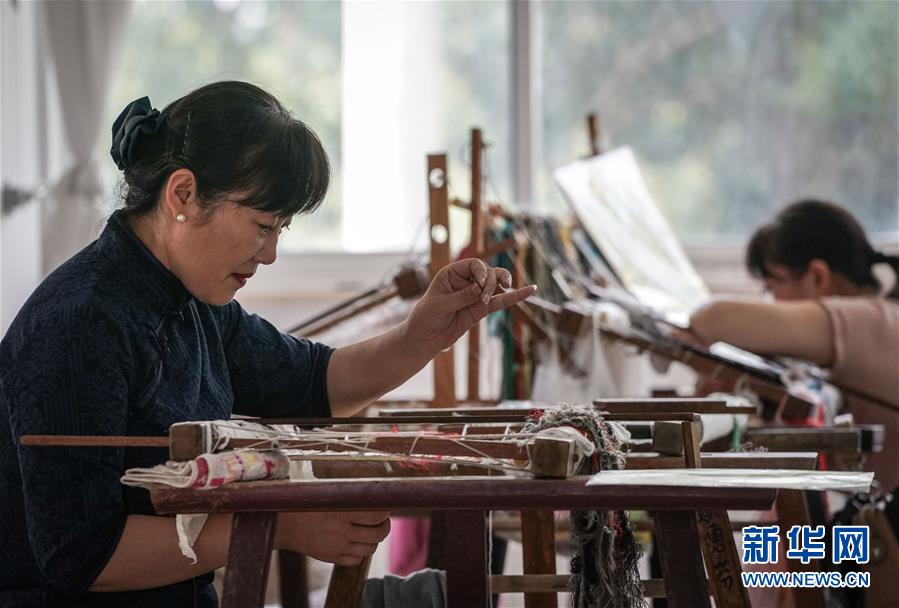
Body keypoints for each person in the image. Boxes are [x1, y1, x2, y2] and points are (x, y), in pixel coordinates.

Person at [0, 81, 536, 608]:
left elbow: (314, 384)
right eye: (262, 226)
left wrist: (423, 335)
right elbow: (82, 557)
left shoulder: (192, 303)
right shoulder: (81, 322)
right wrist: (277, 524)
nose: (271, 253)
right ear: (182, 194)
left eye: (281, 229)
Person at [687, 199, 899, 489]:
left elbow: (713, 318)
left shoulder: (867, 319)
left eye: (773, 285)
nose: (772, 300)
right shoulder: (879, 317)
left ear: (818, 276)